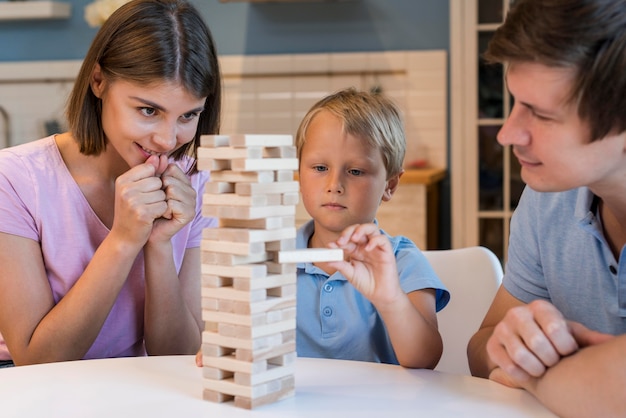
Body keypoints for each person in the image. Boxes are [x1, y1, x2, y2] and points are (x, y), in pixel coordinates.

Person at [0, 0, 221, 367]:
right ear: (99, 81)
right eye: (148, 110)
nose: (168, 140)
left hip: (139, 385)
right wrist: (123, 239)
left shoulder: (198, 184)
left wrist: (159, 243)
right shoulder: (13, 179)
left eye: (189, 115)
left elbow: (178, 358)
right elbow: (37, 361)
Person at [466, 0, 626, 416]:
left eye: (540, 114)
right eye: (515, 102)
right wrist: (513, 344)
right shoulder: (547, 201)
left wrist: (533, 373)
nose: (506, 134)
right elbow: (482, 348)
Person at [294, 88, 449, 368]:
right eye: (319, 167)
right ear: (299, 174)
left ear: (390, 185)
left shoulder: (401, 262)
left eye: (355, 171)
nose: (334, 185)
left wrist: (390, 298)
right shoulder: (271, 259)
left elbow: (425, 359)